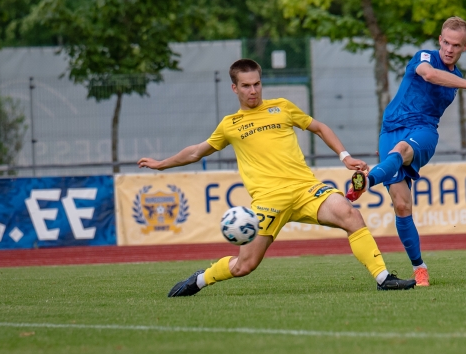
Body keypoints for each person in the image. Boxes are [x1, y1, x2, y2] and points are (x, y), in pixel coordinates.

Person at [138, 59, 416, 296]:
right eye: (246, 86)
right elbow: (196, 152)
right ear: (234, 88)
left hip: (306, 190)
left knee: (350, 214)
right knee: (245, 266)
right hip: (268, 201)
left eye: (257, 84)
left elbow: (319, 127)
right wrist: (162, 164)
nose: (253, 90)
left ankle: (383, 278)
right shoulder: (229, 125)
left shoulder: (282, 107)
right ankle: (200, 279)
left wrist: (345, 157)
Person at [346, 17, 466, 287]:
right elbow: (429, 74)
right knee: (402, 205)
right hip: (391, 128)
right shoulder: (424, 57)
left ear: (465, 47)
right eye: (446, 42)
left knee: (402, 150)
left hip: (423, 131)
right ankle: (419, 267)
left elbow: (440, 83)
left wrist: (465, 83)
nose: (449, 49)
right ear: (440, 40)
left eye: (456, 45)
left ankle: (366, 181)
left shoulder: (455, 78)